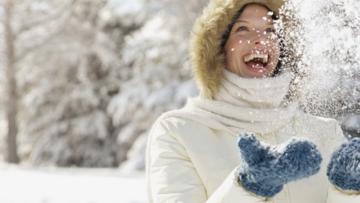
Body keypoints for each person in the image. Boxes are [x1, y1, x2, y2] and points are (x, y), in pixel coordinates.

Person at [145, 0, 360, 202]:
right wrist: (247, 188)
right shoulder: (179, 132)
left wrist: (348, 193)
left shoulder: (324, 133)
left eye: (270, 30)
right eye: (243, 29)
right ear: (218, 48)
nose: (261, 39)